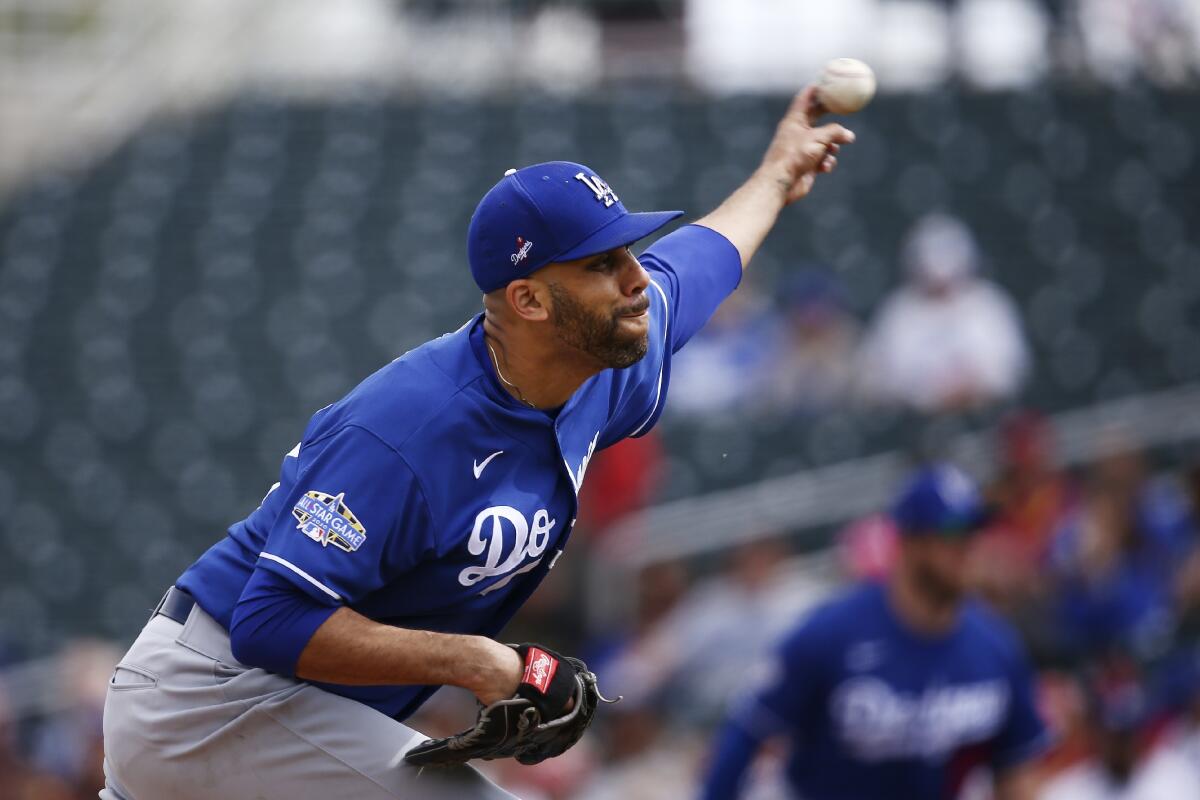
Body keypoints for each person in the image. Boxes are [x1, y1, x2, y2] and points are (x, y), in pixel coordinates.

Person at [99, 86, 855, 800]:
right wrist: (477, 661)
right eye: (602, 263)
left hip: (289, 709)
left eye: (629, 251)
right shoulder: (408, 428)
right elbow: (270, 621)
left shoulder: (598, 360)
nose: (634, 279)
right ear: (527, 299)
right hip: (209, 698)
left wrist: (778, 172)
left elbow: (703, 260)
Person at [701, 464, 1050, 800]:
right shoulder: (832, 633)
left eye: (974, 532)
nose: (967, 549)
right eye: (951, 534)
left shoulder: (995, 647)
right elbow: (747, 731)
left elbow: (1017, 766)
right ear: (910, 541)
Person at [856, 213, 1029, 412]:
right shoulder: (898, 312)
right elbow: (880, 380)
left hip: (988, 416)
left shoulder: (988, 303)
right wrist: (933, 392)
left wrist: (973, 385)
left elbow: (1012, 368)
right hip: (916, 425)